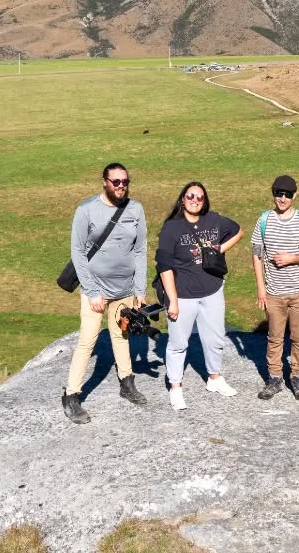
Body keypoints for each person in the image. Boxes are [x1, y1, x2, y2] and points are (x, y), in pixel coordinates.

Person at [62, 162, 149, 424]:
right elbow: (77, 251)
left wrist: (140, 289)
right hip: (96, 291)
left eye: (125, 182)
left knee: (122, 336)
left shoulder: (135, 209)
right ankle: (72, 396)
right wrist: (91, 291)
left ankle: (127, 382)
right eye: (116, 182)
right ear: (104, 182)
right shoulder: (86, 209)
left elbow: (140, 249)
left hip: (125, 290)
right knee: (87, 341)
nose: (121, 186)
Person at [156, 181, 243, 411]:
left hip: (212, 290)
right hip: (183, 295)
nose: (195, 200)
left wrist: (218, 251)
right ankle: (175, 387)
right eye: (190, 196)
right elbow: (164, 266)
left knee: (214, 338)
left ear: (205, 201)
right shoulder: (171, 228)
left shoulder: (213, 220)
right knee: (177, 343)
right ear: (182, 199)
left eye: (200, 197)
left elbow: (238, 231)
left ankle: (214, 378)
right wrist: (172, 301)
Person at [251, 174, 299, 400]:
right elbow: (256, 255)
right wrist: (261, 288)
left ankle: (297, 377)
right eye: (278, 193)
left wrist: (293, 258)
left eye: (287, 194)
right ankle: (275, 378)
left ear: (295, 195)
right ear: (273, 193)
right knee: (274, 337)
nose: (282, 198)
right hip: (274, 293)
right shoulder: (263, 221)